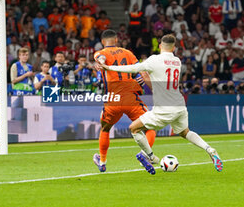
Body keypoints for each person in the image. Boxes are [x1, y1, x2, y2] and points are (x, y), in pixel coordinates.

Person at [100, 34, 223, 174]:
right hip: (179, 105)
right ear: (174, 48)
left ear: (159, 46)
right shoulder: (177, 61)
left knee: (134, 128)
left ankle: (150, 156)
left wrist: (109, 68)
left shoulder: (154, 60)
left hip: (164, 108)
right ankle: (209, 149)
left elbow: (133, 69)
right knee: (185, 132)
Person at [92, 29, 154, 172]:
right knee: (150, 127)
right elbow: (143, 73)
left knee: (105, 128)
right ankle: (145, 155)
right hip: (131, 99)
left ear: (102, 41)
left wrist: (102, 63)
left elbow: (100, 58)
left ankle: (102, 162)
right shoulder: (128, 53)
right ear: (116, 40)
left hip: (113, 100)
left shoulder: (100, 53)